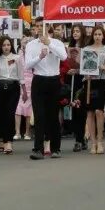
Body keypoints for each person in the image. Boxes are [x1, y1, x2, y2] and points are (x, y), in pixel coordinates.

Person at [25, 20, 68, 160]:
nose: (39, 29)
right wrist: (39, 57)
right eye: (36, 26)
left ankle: (56, 148)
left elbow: (64, 57)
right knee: (39, 116)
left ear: (48, 27)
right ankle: (38, 149)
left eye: (41, 26)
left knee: (53, 116)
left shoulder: (57, 43)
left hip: (53, 81)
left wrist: (49, 44)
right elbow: (27, 65)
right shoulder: (31, 45)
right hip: (39, 80)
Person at [81, 26, 105, 155]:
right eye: (96, 34)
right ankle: (93, 142)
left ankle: (100, 141)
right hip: (89, 82)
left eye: (100, 34)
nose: (98, 36)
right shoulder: (87, 49)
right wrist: (85, 71)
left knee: (99, 111)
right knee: (90, 112)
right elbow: (83, 66)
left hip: (102, 81)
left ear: (103, 36)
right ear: (92, 36)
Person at [0, 36, 22, 155]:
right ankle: (4, 140)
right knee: (3, 114)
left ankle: (9, 141)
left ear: (11, 46)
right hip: (1, 87)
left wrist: (24, 89)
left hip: (14, 87)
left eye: (8, 45)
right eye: (4, 45)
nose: (6, 47)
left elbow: (21, 75)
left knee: (10, 114)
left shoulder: (17, 58)